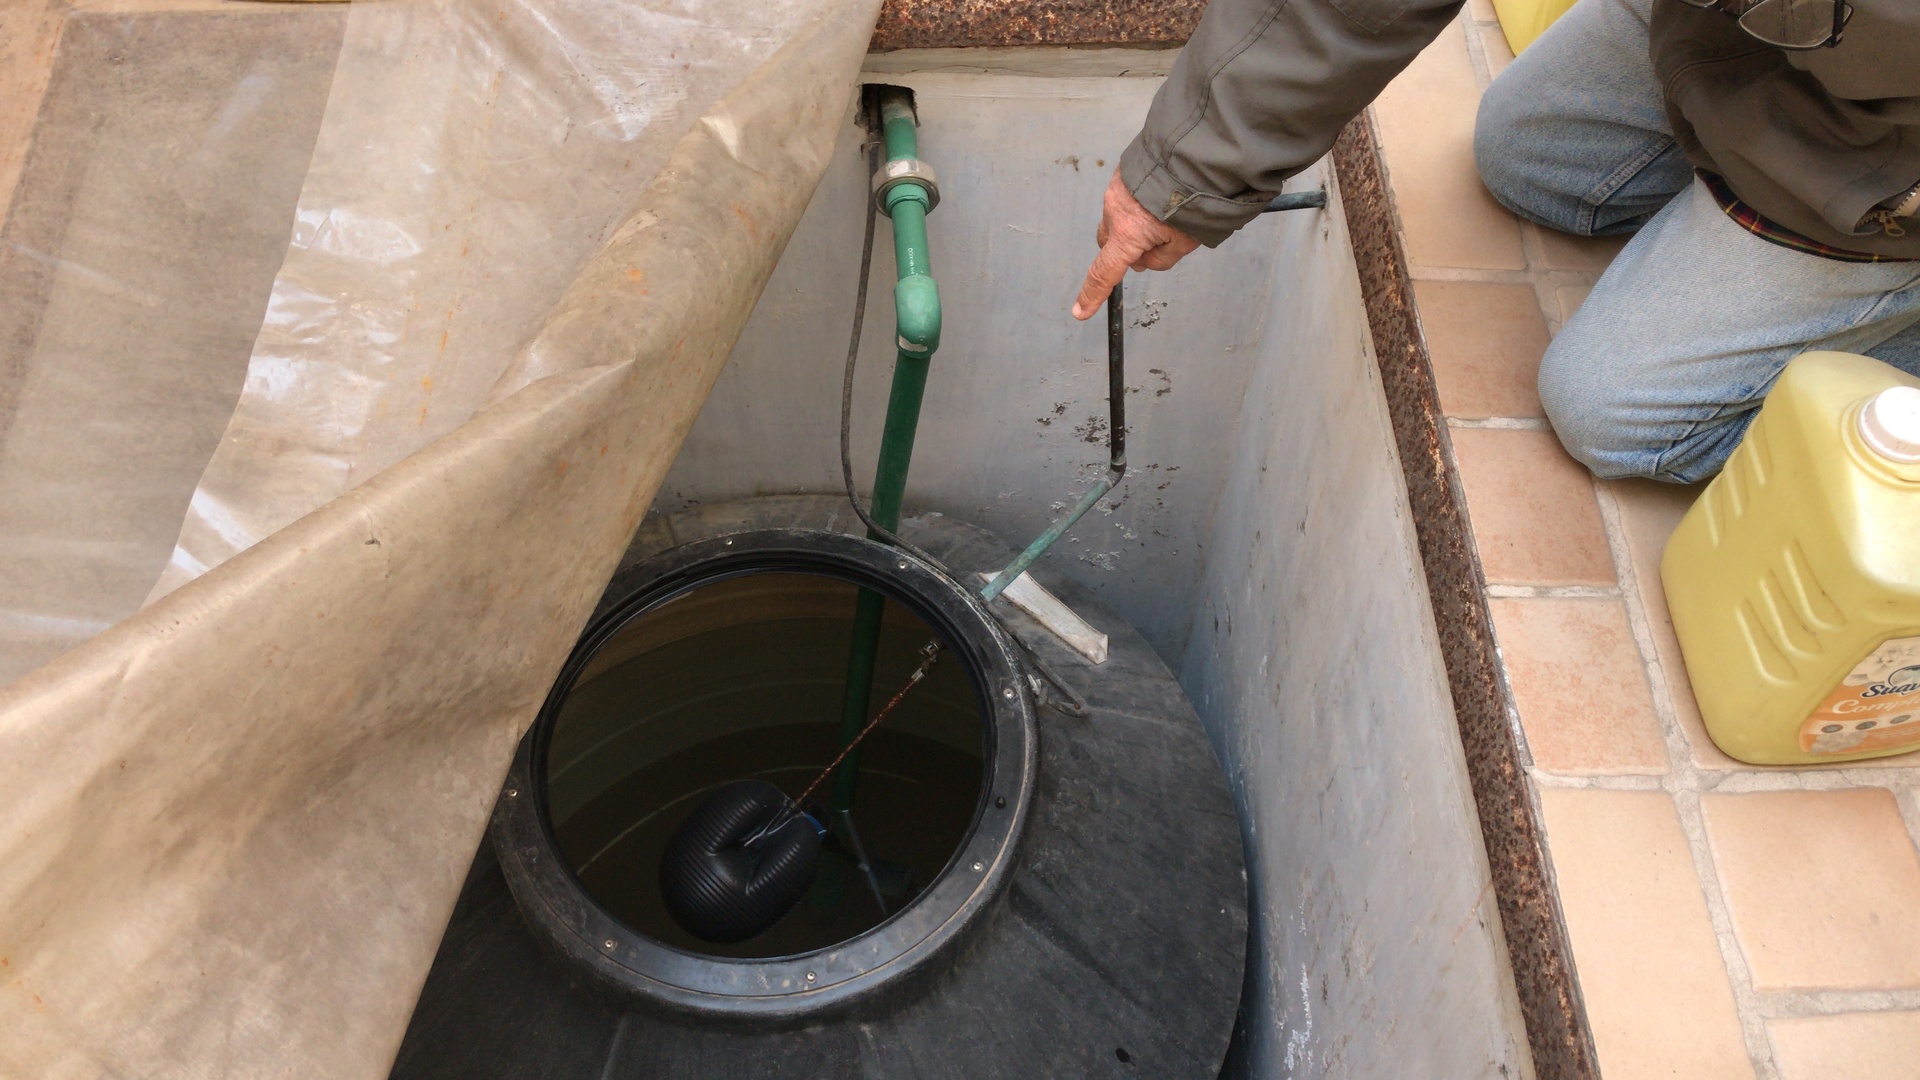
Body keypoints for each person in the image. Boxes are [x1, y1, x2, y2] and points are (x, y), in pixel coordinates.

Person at [1072, 0, 1920, 484]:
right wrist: (1191, 168)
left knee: (1614, 417)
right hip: (1764, 28)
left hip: (1893, 129)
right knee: (1530, 158)